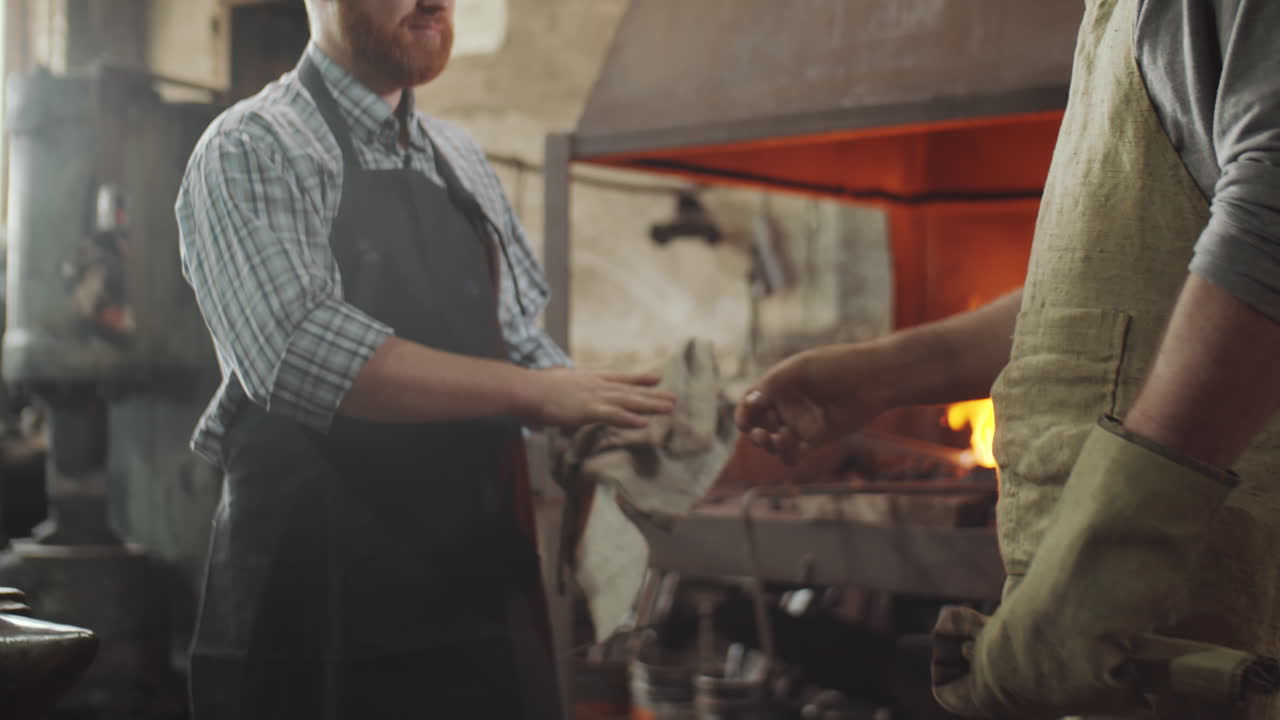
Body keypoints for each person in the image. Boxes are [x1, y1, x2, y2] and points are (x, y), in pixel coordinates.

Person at [736, 0, 1280, 718]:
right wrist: (885, 373)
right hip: (1135, 635)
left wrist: (1109, 555)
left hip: (1217, 617)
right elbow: (1106, 297)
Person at [175, 1, 677, 717]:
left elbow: (518, 344)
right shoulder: (253, 146)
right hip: (320, 621)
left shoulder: (461, 158)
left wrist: (611, 417)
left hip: (478, 610)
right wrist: (535, 395)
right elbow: (297, 349)